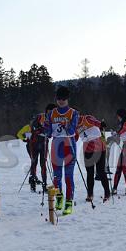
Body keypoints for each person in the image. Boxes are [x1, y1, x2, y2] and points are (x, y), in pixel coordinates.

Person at [44, 86, 79, 215]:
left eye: (63, 98)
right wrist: (45, 128)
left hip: (69, 146)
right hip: (56, 146)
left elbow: (72, 131)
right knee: (57, 177)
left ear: (67, 99)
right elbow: (48, 133)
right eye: (59, 98)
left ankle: (69, 203)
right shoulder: (51, 113)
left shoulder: (73, 113)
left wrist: (67, 125)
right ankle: (59, 198)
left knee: (68, 177)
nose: (61, 101)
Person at [76, 113, 111, 202]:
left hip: (99, 147)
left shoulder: (87, 118)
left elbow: (96, 122)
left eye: (76, 114)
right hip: (87, 150)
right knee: (90, 173)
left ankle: (107, 193)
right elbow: (75, 138)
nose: (75, 117)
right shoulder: (74, 125)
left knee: (101, 172)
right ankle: (90, 194)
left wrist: (101, 124)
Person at [27, 104, 55, 192]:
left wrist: (49, 133)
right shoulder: (40, 116)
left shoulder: (54, 119)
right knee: (34, 162)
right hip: (34, 143)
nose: (51, 113)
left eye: (53, 112)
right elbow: (33, 127)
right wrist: (41, 130)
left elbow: (52, 132)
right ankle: (33, 184)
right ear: (46, 111)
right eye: (49, 111)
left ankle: (44, 185)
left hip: (44, 143)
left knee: (43, 164)